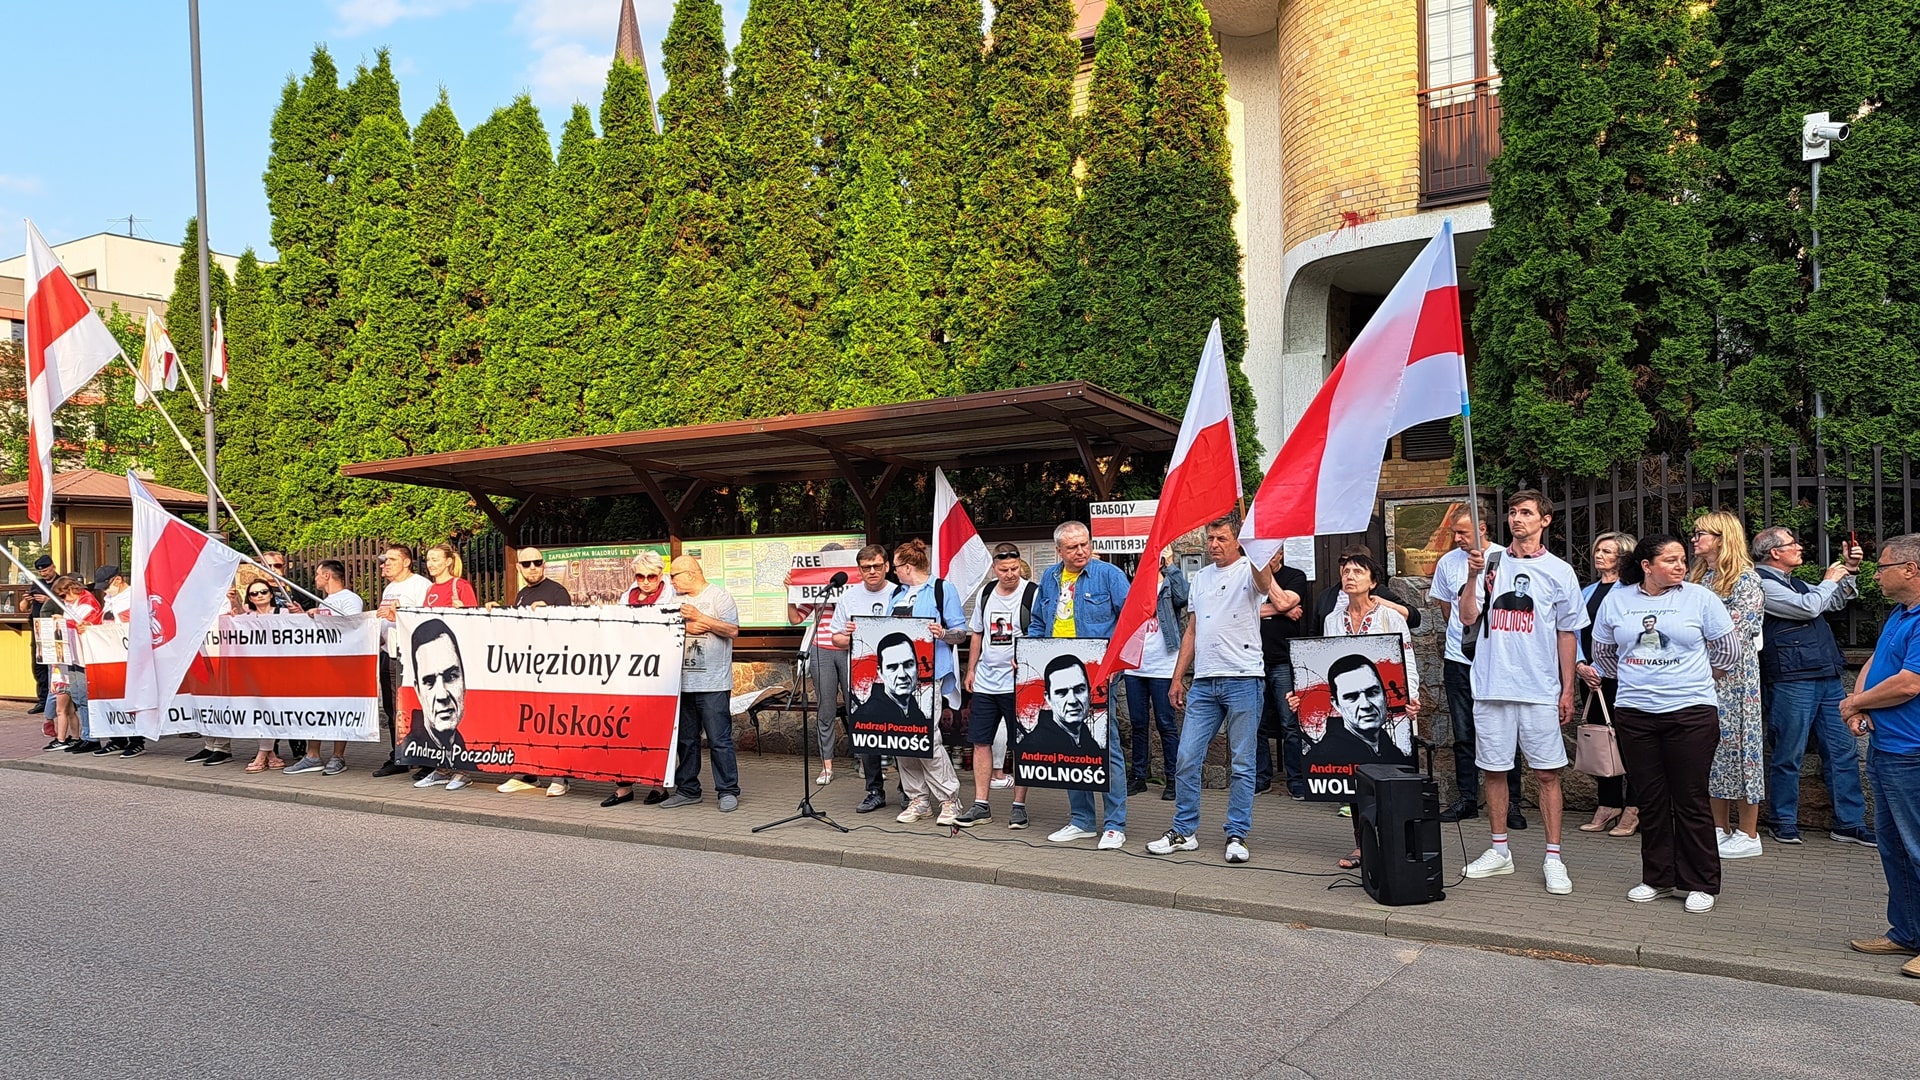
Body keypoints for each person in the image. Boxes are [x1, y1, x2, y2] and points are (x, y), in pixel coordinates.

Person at [1591, 534, 1743, 914]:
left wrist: (1697, 678)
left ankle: (1700, 882)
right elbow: (1604, 652)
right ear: (1646, 566)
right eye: (1670, 560)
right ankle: (1657, 877)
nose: (1680, 566)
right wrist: (1636, 678)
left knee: (1690, 797)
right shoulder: (1618, 599)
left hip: (1690, 711)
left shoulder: (1699, 598)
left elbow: (1728, 650)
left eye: (1682, 559)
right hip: (1635, 712)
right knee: (1650, 797)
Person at [1455, 490, 1587, 897]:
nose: (1517, 519)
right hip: (1492, 684)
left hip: (1538, 688)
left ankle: (1553, 856)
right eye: (1512, 513)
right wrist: (1475, 577)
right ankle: (1499, 850)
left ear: (1544, 520)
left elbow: (1568, 632)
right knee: (1493, 769)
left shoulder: (1559, 571)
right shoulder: (1489, 562)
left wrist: (1568, 689)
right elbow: (1466, 618)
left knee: (1547, 773)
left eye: (1526, 513)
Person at [1149, 515, 1275, 864]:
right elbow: (1191, 630)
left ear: (1237, 540)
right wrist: (1178, 677)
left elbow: (1264, 583)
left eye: (1221, 538)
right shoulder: (1201, 577)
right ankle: (1183, 830)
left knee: (1242, 761)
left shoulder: (1250, 569)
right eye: (1210, 538)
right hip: (1204, 680)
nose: (1214, 545)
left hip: (1244, 677)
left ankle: (1237, 833)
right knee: (1187, 757)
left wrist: (1256, 549)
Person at [1293, 551, 1418, 869]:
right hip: (1349, 712)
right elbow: (1324, 664)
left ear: (1372, 581)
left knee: (1389, 778)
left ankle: (1392, 845)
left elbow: (1407, 663)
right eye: (1345, 570)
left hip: (1388, 709)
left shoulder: (1391, 618)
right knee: (1352, 781)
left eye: (1358, 571)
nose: (1349, 575)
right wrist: (1303, 698)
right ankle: (1362, 847)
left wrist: (1411, 702)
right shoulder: (1333, 620)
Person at [1753, 526, 1874, 847]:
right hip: (1792, 678)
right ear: (1774, 552)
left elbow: (1831, 603)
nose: (1800, 547)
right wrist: (1828, 581)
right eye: (1792, 543)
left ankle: (1849, 823)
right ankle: (1783, 820)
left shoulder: (1794, 582)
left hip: (1827, 673)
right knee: (1788, 752)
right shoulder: (1762, 584)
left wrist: (1849, 570)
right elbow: (1807, 607)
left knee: (1843, 751)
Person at [1839, 533, 1920, 977]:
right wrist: (1859, 700)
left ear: (1911, 569)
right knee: (1893, 846)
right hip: (1888, 748)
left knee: (1919, 847)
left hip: (1914, 751)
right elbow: (1875, 662)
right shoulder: (1900, 613)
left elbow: (1910, 682)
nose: (1877, 573)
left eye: (1884, 566)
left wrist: (1855, 704)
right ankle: (1906, 932)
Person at [1027, 521, 1132, 849]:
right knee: (1070, 745)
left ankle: (1115, 824)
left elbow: (1130, 622)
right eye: (1072, 548)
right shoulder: (1049, 577)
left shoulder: (1109, 575)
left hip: (1099, 673)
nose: (1081, 551)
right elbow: (1037, 622)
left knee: (1107, 745)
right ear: (1058, 551)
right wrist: (1032, 656)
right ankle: (1082, 820)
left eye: (1084, 544)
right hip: (1059, 670)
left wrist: (1115, 662)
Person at [1430, 510, 1524, 825]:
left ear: (1482, 529)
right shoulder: (1447, 563)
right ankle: (1468, 798)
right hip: (1460, 659)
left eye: (1462, 533)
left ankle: (1512, 803)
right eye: (1455, 532)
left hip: (1498, 660)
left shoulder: (1505, 558)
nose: (1456, 539)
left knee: (1505, 731)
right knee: (1464, 732)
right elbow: (1447, 609)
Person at [870, 540, 967, 826]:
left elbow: (960, 632)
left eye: (895, 567)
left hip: (928, 675)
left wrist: (944, 633)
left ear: (907, 566)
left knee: (927, 737)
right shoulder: (897, 593)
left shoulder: (941, 589)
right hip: (899, 680)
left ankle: (950, 800)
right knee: (902, 737)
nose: (893, 573)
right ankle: (918, 799)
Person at [1688, 512, 1768, 860]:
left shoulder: (1745, 581)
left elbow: (1736, 632)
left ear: (1722, 538)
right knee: (1713, 752)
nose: (1694, 538)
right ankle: (1718, 829)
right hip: (1700, 676)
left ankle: (1748, 833)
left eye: (1701, 533)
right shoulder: (1698, 578)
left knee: (1742, 749)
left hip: (1734, 678)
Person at [956, 543, 1038, 828]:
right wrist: (972, 668)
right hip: (987, 681)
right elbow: (977, 632)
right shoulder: (986, 592)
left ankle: (1019, 805)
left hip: (1019, 683)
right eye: (1004, 570)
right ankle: (981, 804)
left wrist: (1027, 659)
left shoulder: (1031, 593)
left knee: (1021, 743)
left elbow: (1040, 633)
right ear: (995, 568)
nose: (1010, 574)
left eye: (1014, 568)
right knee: (981, 741)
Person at [487, 546, 578, 796]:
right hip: (527, 672)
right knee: (528, 722)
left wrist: (549, 613)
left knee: (553, 723)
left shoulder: (557, 592)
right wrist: (499, 612)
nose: (532, 568)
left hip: (552, 671)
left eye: (537, 562)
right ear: (518, 567)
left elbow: (569, 627)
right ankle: (528, 772)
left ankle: (560, 776)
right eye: (526, 564)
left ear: (544, 564)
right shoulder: (521, 595)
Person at [659, 555, 744, 812]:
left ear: (691, 573)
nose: (670, 580)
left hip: (713, 683)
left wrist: (701, 619)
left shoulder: (720, 597)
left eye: (674, 575)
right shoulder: (674, 600)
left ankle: (727, 790)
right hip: (681, 683)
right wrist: (685, 628)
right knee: (686, 739)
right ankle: (687, 789)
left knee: (719, 739)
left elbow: (733, 630)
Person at [829, 544, 906, 814]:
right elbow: (836, 637)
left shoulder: (901, 592)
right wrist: (849, 636)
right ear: (859, 570)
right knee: (868, 735)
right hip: (863, 678)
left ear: (887, 566)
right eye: (866, 568)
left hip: (896, 677)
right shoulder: (849, 598)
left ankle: (908, 789)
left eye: (876, 566)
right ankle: (874, 790)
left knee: (902, 733)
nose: (872, 571)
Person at [1574, 531, 1639, 836]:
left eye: (1608, 551)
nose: (1599, 555)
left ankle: (1635, 807)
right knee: (1601, 742)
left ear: (1623, 557)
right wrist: (1580, 665)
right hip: (1591, 677)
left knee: (1630, 742)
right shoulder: (1587, 592)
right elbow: (1573, 632)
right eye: (1598, 549)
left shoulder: (1632, 591)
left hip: (1622, 678)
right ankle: (1608, 803)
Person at [603, 552, 678, 807]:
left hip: (659, 669)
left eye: (651, 576)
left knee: (657, 728)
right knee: (624, 727)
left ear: (660, 575)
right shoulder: (628, 596)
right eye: (640, 576)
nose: (645, 581)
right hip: (630, 667)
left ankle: (659, 785)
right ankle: (624, 786)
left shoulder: (671, 595)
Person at [283, 560, 365, 777]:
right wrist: (304, 616)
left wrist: (319, 616)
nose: (315, 578)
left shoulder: (349, 599)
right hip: (322, 663)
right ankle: (312, 755)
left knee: (340, 707)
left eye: (318, 574)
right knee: (316, 704)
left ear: (327, 575)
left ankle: (338, 756)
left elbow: (352, 626)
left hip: (342, 664)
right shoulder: (326, 601)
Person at [785, 543, 854, 789]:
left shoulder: (855, 588)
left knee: (857, 705)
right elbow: (795, 619)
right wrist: (791, 592)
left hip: (850, 650)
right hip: (821, 649)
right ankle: (827, 766)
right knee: (825, 709)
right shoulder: (817, 590)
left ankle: (867, 762)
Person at [413, 543, 480, 791]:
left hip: (451, 659)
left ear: (449, 561)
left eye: (435, 559)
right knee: (435, 719)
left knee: (455, 716)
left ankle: (462, 771)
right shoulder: (430, 589)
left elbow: (474, 618)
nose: (431, 564)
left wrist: (462, 609)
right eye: (428, 560)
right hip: (431, 661)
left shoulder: (460, 586)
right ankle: (441, 768)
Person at [1129, 550, 1190, 799]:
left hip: (1163, 664)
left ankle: (1173, 778)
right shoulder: (1130, 583)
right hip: (1135, 664)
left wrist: (1172, 566)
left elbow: (1184, 597)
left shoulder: (1167, 583)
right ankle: (1139, 776)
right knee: (1138, 723)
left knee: (1166, 724)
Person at [369, 544, 432, 779]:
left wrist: (399, 616)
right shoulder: (390, 588)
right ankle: (399, 754)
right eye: (384, 560)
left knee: (415, 706)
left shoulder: (420, 585)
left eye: (391, 559)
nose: (385, 564)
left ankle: (425, 756)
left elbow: (425, 619)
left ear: (406, 562)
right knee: (393, 708)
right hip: (390, 653)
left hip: (410, 656)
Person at [1253, 546, 1310, 800]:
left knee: (1290, 723)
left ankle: (1296, 779)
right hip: (1253, 662)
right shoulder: (1250, 578)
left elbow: (1286, 600)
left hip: (1283, 661)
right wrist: (1284, 610)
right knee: (1257, 724)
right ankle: (1261, 778)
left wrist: (1280, 601)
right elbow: (1245, 611)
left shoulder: (1295, 577)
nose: (1266, 559)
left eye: (1271, 555)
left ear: (1280, 555)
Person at [399, 618, 469, 765]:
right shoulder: (409, 746)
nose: (442, 695)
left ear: (464, 682)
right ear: (417, 690)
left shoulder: (470, 754)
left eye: (451, 677)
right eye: (429, 681)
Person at [20, 553, 57, 712]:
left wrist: (47, 600)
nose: (44, 574)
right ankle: (42, 700)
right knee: (38, 665)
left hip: (55, 628)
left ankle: (56, 699)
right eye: (41, 572)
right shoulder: (37, 584)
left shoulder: (61, 582)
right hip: (38, 628)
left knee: (55, 665)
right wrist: (27, 600)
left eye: (46, 570)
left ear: (53, 567)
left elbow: (67, 603)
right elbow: (23, 608)